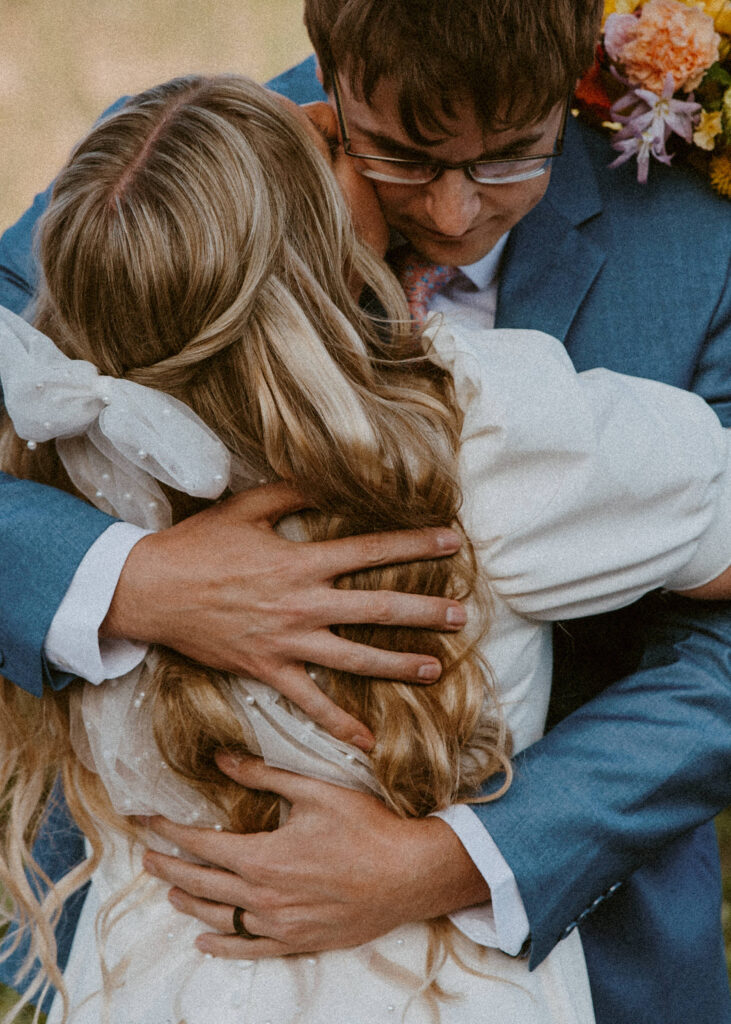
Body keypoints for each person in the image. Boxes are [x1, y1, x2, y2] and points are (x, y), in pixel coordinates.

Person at [0, 2, 729, 1023]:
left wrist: (453, 859)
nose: (450, 212)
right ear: (331, 74)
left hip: (557, 938)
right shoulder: (169, 171)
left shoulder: (695, 246)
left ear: (571, 71)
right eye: (401, 155)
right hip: (163, 935)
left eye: (509, 157)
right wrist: (134, 581)